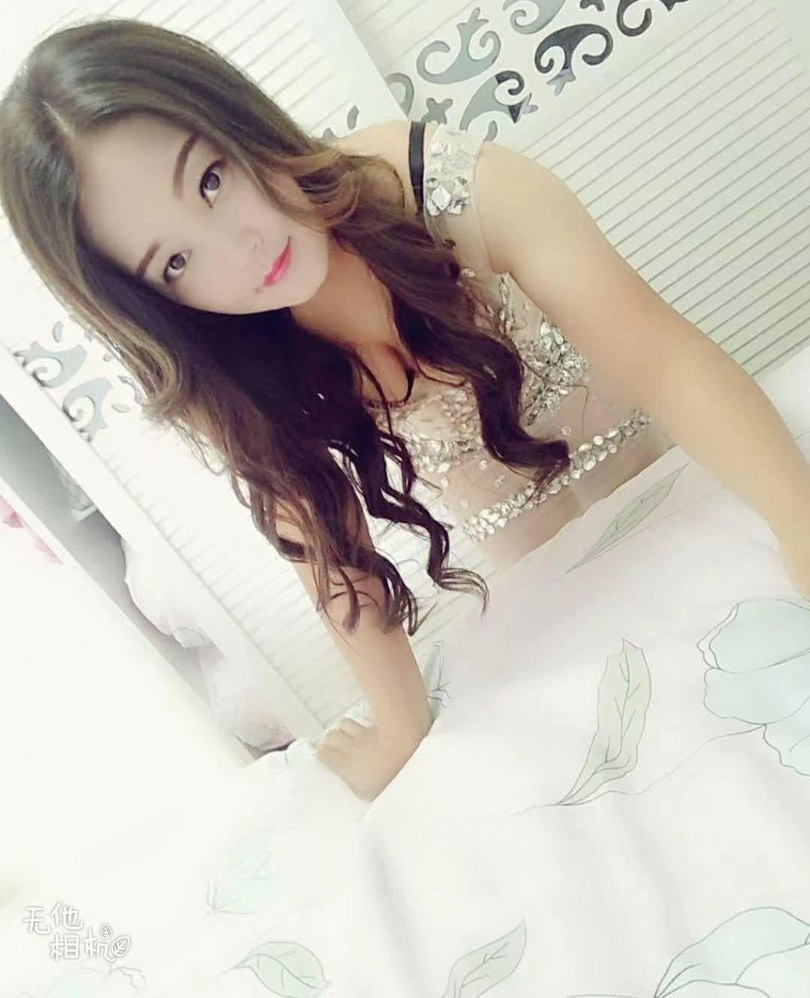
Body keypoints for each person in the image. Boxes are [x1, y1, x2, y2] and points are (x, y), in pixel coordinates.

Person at [2, 18, 809, 803]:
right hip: (562, 599)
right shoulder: (229, 369)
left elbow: (662, 360)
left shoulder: (436, 183)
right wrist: (398, 729)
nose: (238, 250)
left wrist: (800, 522)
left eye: (211, 179)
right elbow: (332, 559)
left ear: (235, 117)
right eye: (176, 261)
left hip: (688, 497)